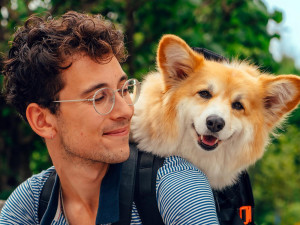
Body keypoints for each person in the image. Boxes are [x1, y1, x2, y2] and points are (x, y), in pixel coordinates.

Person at [0, 11, 219, 225]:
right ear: (43, 120)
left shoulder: (174, 182)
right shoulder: (30, 204)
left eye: (124, 89)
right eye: (98, 98)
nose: (125, 111)